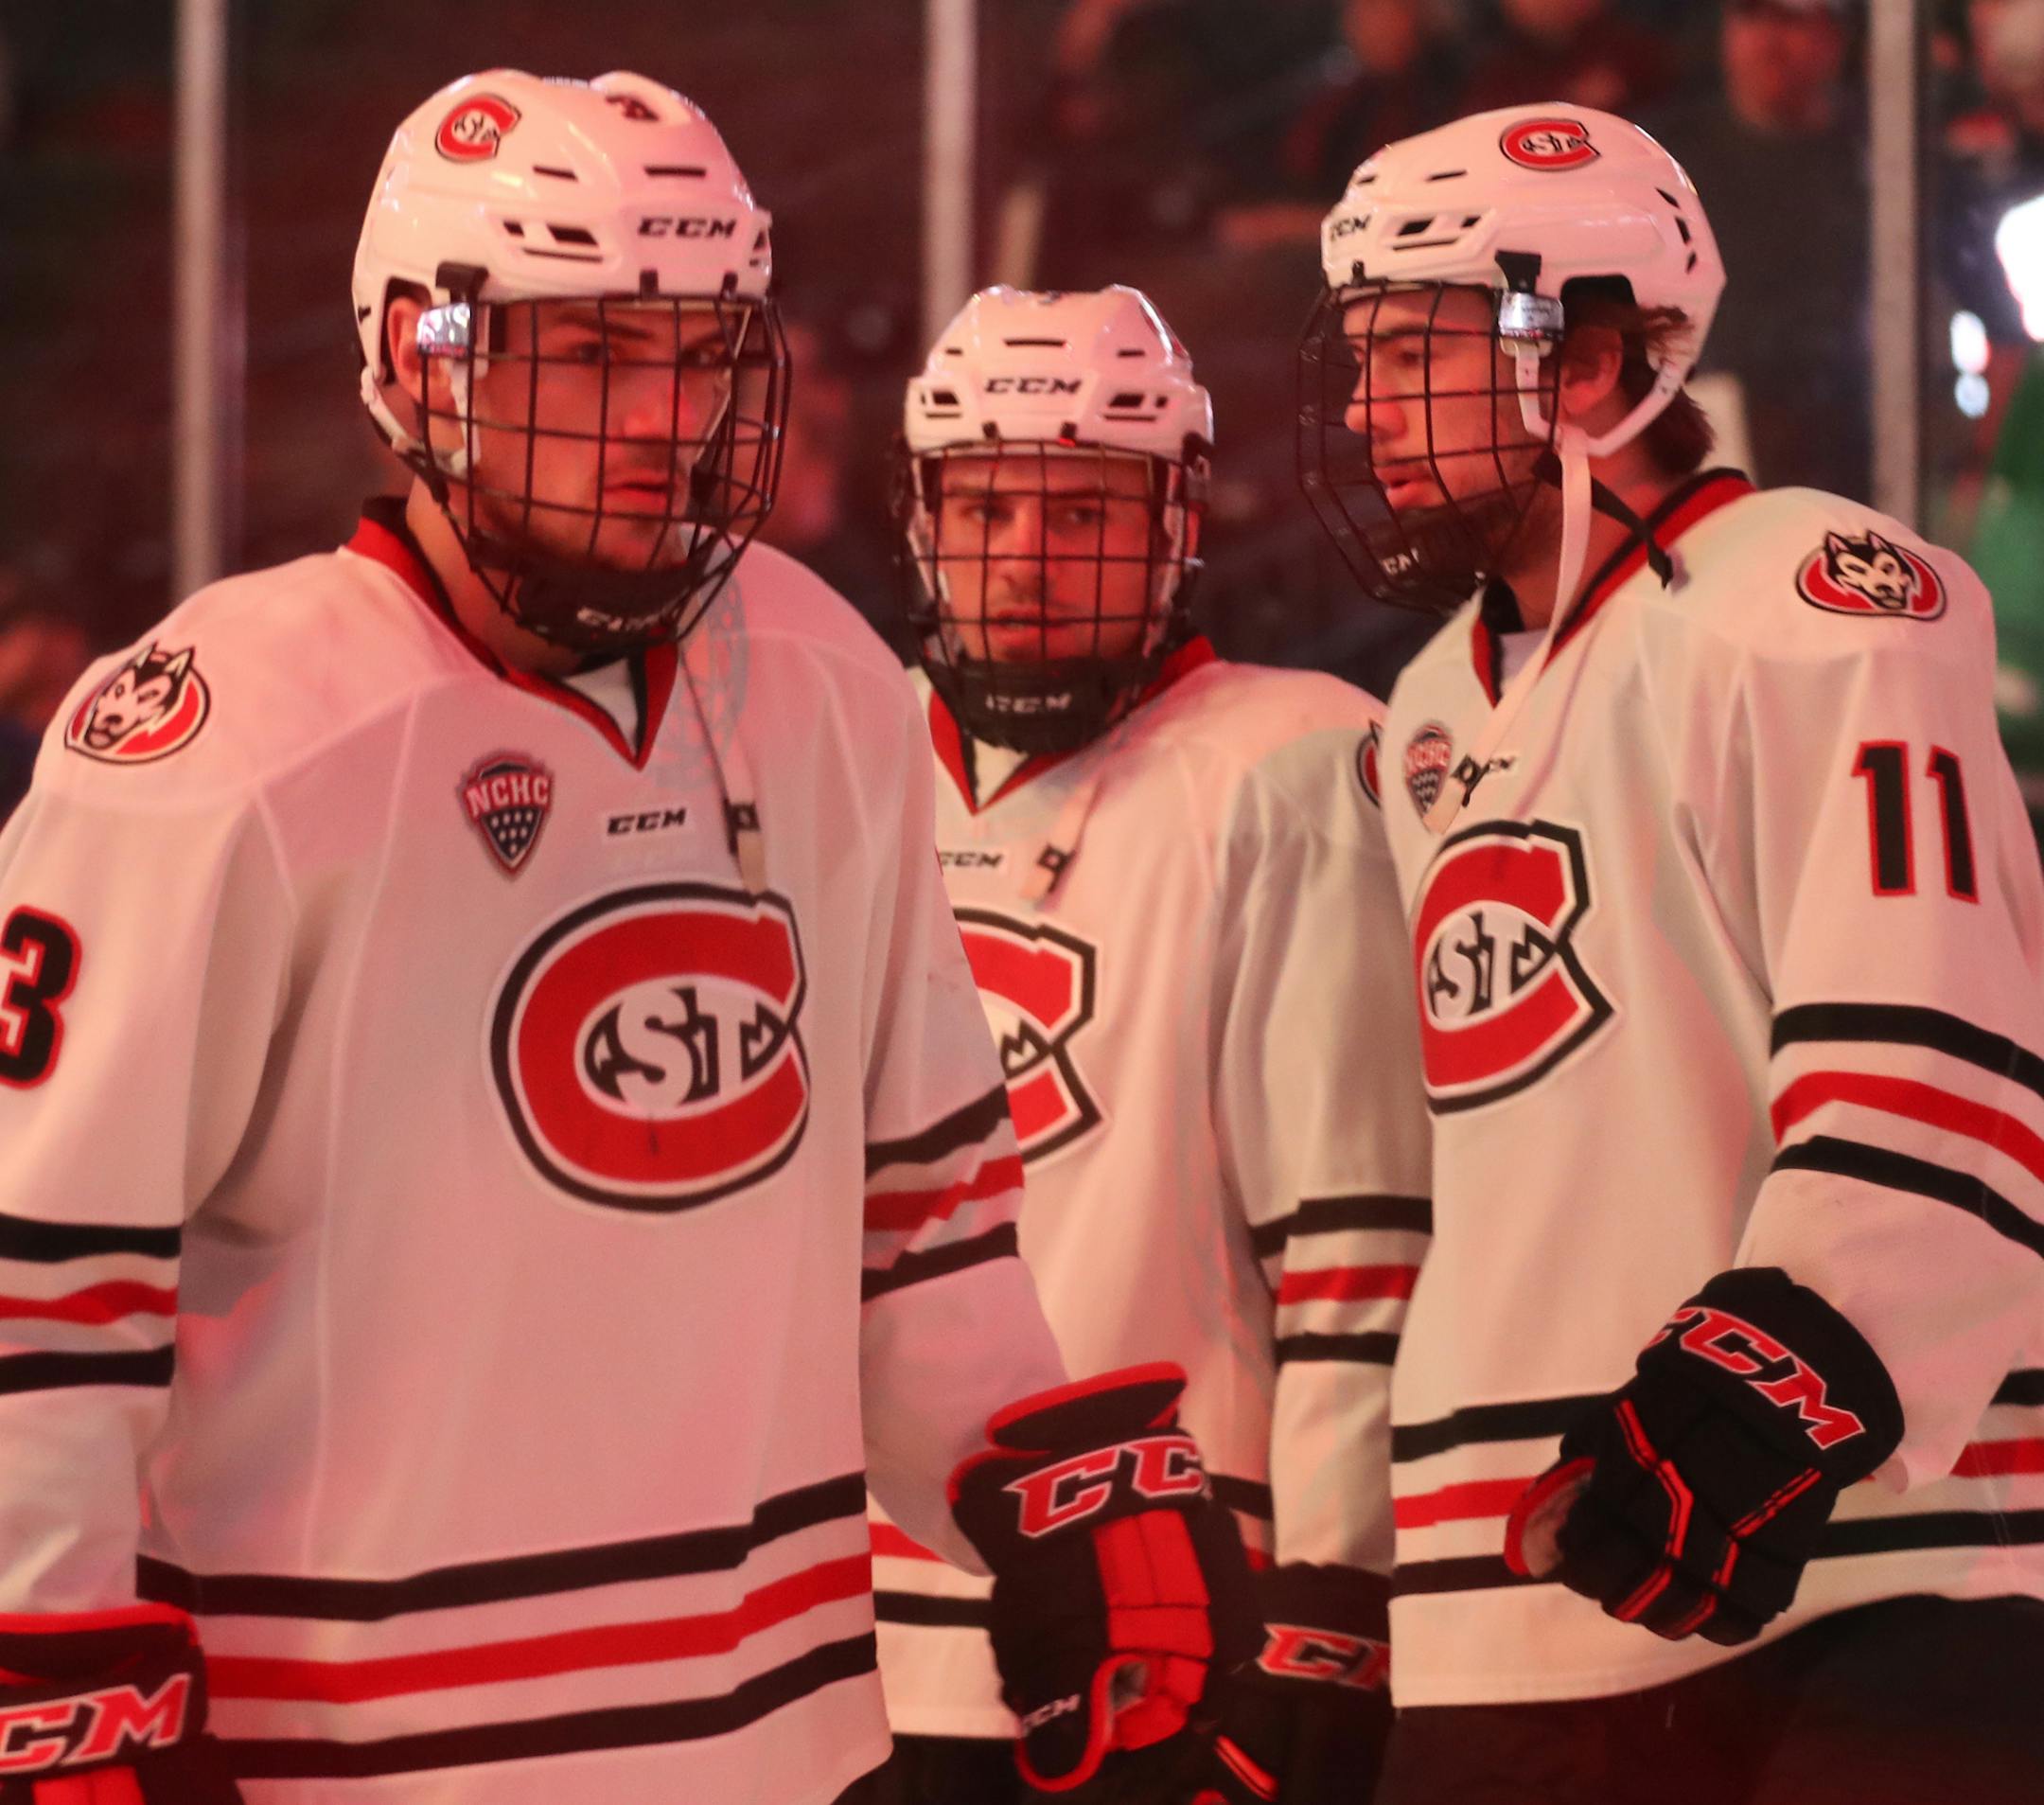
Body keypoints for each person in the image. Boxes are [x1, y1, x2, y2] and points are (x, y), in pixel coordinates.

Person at [0, 70, 1258, 1805]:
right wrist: (38, 1652)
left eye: (696, 352)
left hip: (793, 1737)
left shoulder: (821, 679)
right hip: (364, 1762)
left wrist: (1034, 1489)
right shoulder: (220, 740)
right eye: (593, 356)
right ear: (418, 362)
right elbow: (45, 1288)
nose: (663, 417)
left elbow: (919, 1228)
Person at [1297, 104, 2044, 1803]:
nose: (1360, 412)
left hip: (1851, 1571)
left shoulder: (1819, 597)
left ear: (1589, 360)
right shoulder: (1425, 707)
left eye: (1410, 349)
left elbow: (1946, 1052)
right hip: (1507, 1599)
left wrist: (1789, 1380)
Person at [850, 284, 1432, 1805]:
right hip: (843, 1639)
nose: (1030, 560)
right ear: (924, 518)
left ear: (1178, 519)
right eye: (987, 508)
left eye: (1086, 511)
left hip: (1164, 1619)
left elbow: (1354, 1242)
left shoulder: (1292, 761)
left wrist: (1332, 1598)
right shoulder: (837, 761)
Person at [1640, 0, 1870, 499]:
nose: (1768, 41)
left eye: (1791, 18)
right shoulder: (1659, 158)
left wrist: (1980, 473)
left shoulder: (1881, 158)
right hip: (1697, 449)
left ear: (1836, 38)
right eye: (1750, 14)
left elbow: (1994, 316)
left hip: (1857, 456)